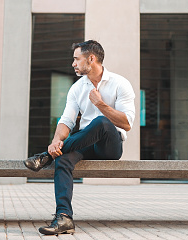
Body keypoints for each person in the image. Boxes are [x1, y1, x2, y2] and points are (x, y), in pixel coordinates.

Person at [24, 40, 135, 235]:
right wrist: (55, 142)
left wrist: (101, 105)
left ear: (91, 59)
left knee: (101, 122)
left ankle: (45, 157)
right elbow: (66, 121)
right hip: (84, 143)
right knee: (63, 158)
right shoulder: (77, 88)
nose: (73, 64)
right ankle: (64, 218)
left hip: (110, 146)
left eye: (77, 59)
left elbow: (126, 123)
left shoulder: (120, 83)